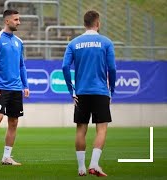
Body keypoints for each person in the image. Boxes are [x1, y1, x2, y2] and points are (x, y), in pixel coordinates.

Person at [62, 10, 116, 177]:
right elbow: (112, 68)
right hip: (100, 92)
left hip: (82, 92)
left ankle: (81, 168)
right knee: (101, 129)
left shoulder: (74, 43)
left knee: (81, 129)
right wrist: (111, 90)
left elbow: (64, 67)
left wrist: (71, 90)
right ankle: (94, 164)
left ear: (84, 24)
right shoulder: (106, 42)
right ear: (98, 23)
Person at [0, 9, 30, 166]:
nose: (18, 22)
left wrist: (25, 85)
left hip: (16, 89)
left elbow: (22, 65)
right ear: (7, 21)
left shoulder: (19, 42)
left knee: (13, 122)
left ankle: (6, 157)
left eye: (19, 19)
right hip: (1, 88)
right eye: (16, 19)